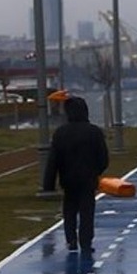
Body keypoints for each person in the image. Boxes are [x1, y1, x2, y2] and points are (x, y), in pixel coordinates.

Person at [43, 96, 109, 254]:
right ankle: (86, 241)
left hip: (68, 180)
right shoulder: (94, 132)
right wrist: (96, 172)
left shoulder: (60, 133)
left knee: (69, 211)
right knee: (87, 212)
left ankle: (71, 240)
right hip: (88, 180)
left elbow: (53, 160)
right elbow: (103, 158)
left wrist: (49, 185)